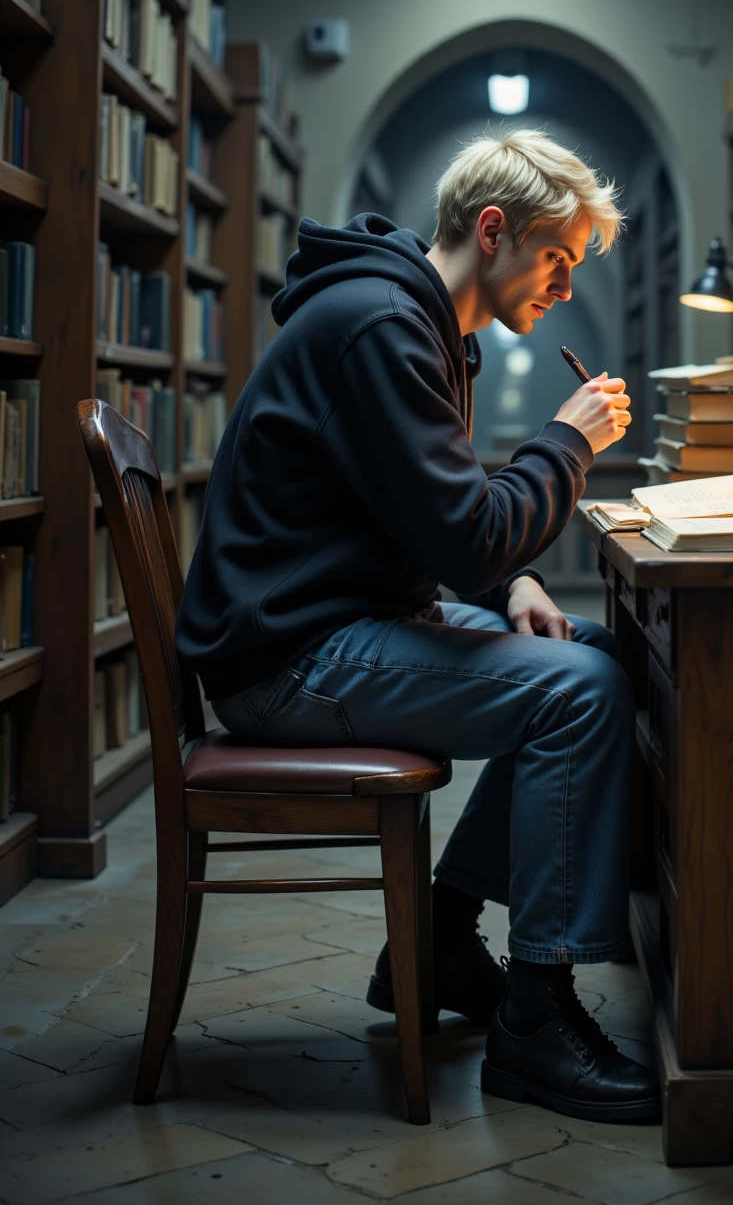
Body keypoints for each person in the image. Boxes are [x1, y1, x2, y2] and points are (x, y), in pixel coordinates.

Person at [176, 130, 659, 1123]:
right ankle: (535, 1016)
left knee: (588, 651)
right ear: (493, 231)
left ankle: (439, 933)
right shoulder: (383, 325)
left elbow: (433, 514)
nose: (564, 287)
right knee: (586, 690)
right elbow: (464, 533)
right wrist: (565, 445)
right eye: (556, 259)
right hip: (288, 659)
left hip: (323, 623)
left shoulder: (415, 321)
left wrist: (514, 580)